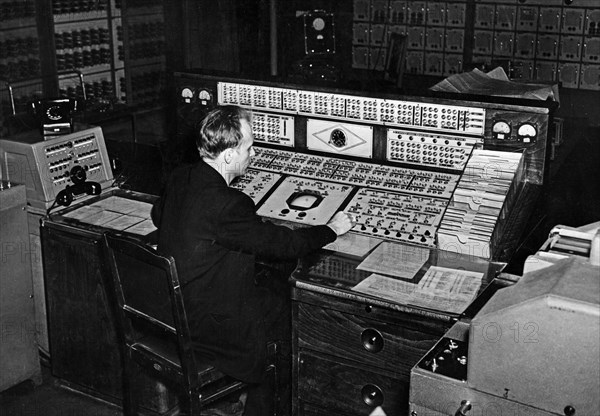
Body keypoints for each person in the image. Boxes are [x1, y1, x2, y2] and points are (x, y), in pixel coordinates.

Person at [151, 105, 354, 415]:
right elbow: (287, 245)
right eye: (249, 147)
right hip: (209, 328)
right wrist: (332, 229)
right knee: (293, 315)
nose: (254, 154)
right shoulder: (228, 204)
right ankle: (267, 407)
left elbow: (159, 213)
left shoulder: (182, 176)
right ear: (229, 155)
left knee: (269, 288)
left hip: (174, 311)